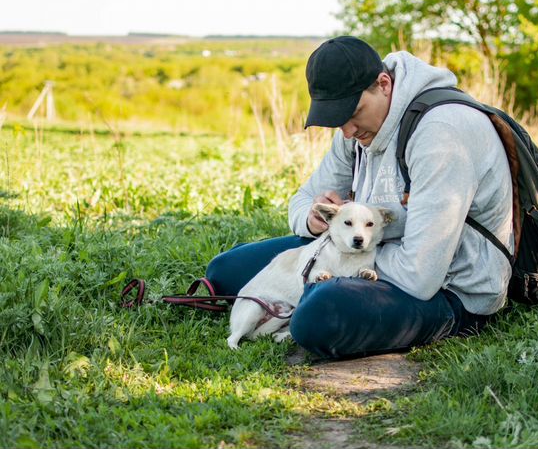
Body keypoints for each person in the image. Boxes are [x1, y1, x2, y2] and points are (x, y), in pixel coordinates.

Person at [206, 36, 513, 359]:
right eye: (337, 119)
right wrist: (312, 220)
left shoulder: (441, 133)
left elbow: (421, 275)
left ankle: (312, 304)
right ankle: (310, 295)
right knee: (225, 272)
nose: (348, 131)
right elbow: (305, 197)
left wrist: (342, 257)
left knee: (321, 315)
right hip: (357, 255)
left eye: (353, 113)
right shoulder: (356, 131)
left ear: (383, 84)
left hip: (449, 292)